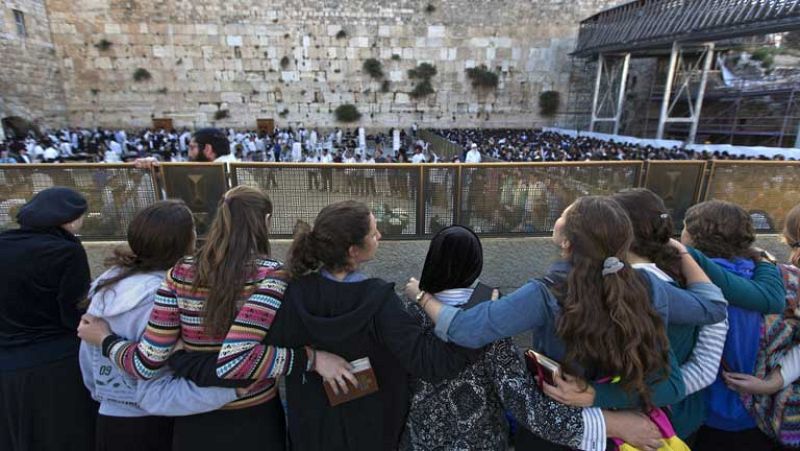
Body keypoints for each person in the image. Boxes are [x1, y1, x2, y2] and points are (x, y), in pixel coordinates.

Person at [406, 196, 729, 451]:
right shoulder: (647, 285)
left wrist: (421, 297)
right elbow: (712, 309)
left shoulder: (546, 293)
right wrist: (598, 396)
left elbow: (465, 330)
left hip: (557, 430)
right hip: (617, 434)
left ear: (566, 242)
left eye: (564, 214)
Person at [77, 186, 354, 451]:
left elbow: (145, 364)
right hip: (256, 416)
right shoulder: (272, 275)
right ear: (266, 221)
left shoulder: (179, 274)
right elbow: (240, 360)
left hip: (194, 418)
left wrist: (106, 340)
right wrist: (311, 359)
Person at [401, 225, 661, 451]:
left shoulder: (405, 317)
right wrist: (611, 424)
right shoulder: (490, 324)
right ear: (476, 263)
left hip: (420, 441)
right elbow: (527, 406)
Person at [78, 200, 239, 451]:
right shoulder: (164, 296)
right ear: (184, 242)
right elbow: (156, 384)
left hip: (111, 413)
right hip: (156, 420)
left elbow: (89, 358)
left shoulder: (108, 283)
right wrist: (231, 392)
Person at [682, 201, 786, 450]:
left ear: (696, 237)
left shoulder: (691, 283)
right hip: (762, 412)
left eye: (684, 227)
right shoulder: (776, 276)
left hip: (707, 413)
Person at [0, 187, 96, 451]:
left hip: (7, 363)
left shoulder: (4, 242)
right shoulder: (67, 251)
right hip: (56, 363)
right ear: (69, 219)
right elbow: (72, 311)